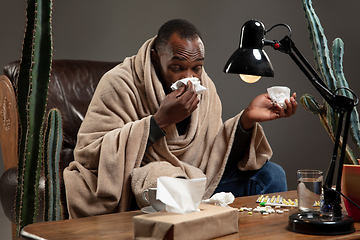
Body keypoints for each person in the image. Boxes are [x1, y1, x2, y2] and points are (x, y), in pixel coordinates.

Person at [63, 19, 297, 219]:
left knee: (272, 175)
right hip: (142, 189)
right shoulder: (119, 84)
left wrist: (246, 120)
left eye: (197, 68)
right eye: (177, 67)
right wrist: (159, 121)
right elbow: (89, 154)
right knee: (170, 182)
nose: (189, 78)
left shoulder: (205, 86)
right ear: (156, 59)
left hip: (196, 182)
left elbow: (213, 159)